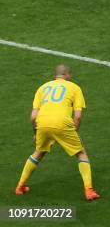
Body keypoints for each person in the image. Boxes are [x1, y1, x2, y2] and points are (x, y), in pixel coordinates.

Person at [15, 64, 100, 201]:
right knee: (80, 152)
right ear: (67, 74)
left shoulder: (42, 88)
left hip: (42, 122)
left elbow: (33, 116)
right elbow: (77, 116)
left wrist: (36, 132)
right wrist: (74, 131)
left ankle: (20, 186)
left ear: (55, 75)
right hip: (62, 123)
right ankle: (89, 190)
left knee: (39, 152)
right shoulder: (74, 87)